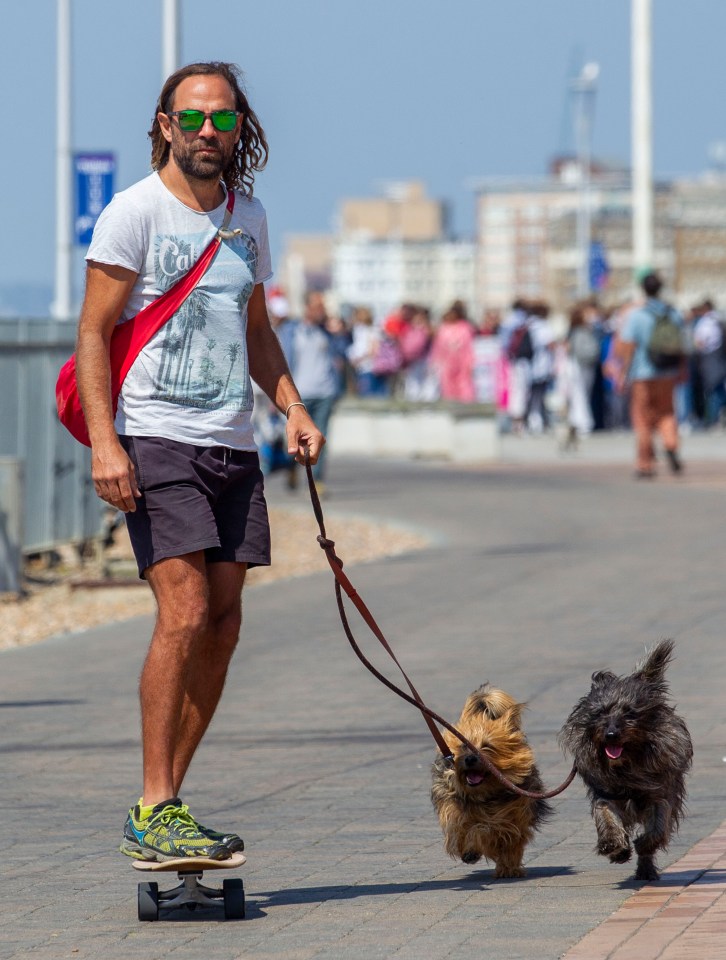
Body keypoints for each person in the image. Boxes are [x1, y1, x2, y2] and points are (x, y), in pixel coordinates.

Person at [74, 61, 324, 862]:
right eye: (193, 119)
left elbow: (256, 334)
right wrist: (107, 443)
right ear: (163, 125)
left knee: (223, 622)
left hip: (233, 444)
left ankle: (164, 805)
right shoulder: (133, 214)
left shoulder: (248, 215)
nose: (207, 133)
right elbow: (90, 335)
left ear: (239, 127)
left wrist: (292, 406)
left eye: (222, 120)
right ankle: (155, 798)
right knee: (180, 613)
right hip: (154, 438)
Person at [616, 271, 686, 478]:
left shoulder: (636, 314)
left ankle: (645, 464)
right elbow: (681, 345)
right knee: (667, 412)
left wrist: (622, 375)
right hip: (668, 372)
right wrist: (682, 370)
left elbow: (627, 348)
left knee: (642, 419)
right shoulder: (673, 313)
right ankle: (671, 444)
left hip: (642, 373)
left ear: (643, 289)